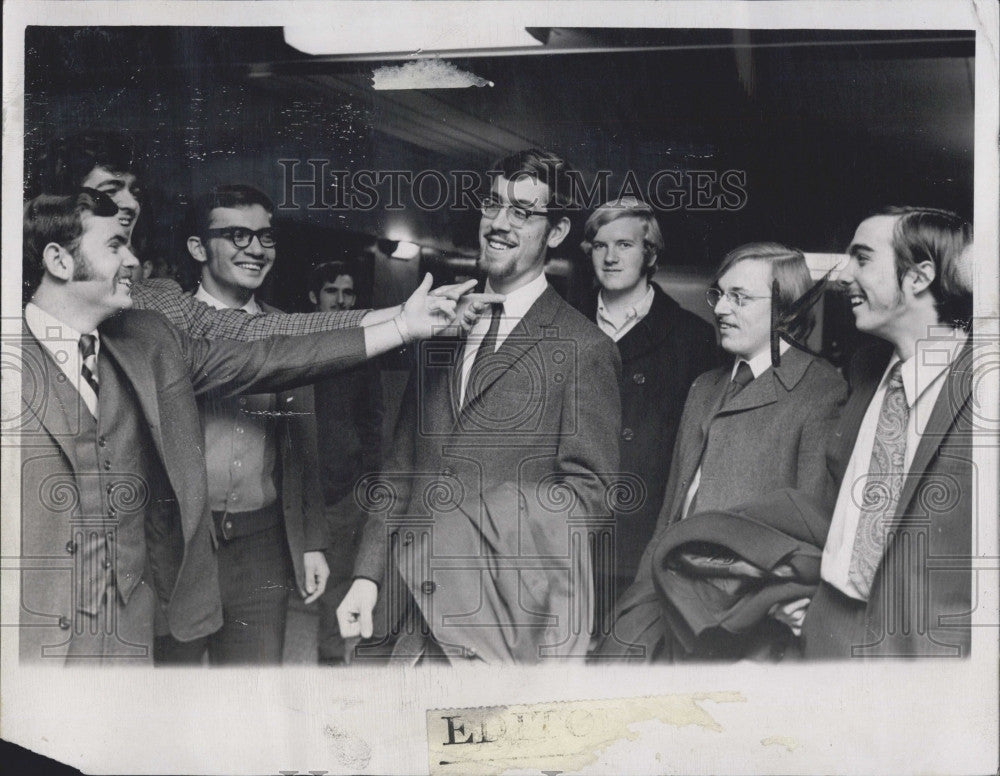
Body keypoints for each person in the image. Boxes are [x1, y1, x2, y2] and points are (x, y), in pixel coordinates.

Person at [16, 189, 464, 664]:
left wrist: (402, 324)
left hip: (128, 630)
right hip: (32, 630)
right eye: (114, 246)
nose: (133, 261)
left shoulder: (148, 340)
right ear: (59, 261)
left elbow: (266, 352)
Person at [336, 149, 623, 663]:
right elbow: (400, 465)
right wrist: (366, 573)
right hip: (401, 609)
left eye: (522, 212)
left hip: (497, 624)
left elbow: (588, 500)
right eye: (493, 204)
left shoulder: (585, 349)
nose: (499, 223)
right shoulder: (441, 322)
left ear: (556, 232)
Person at [597, 242, 847, 661]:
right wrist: (638, 599)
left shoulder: (820, 390)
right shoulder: (704, 386)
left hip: (743, 624)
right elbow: (670, 513)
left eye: (740, 298)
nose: (721, 309)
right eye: (720, 294)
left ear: (785, 308)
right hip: (664, 600)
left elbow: (809, 539)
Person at [32, 131, 471, 340]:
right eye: (110, 192)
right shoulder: (18, 307)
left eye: (134, 191)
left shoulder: (156, 300)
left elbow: (268, 333)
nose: (130, 204)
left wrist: (401, 318)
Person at [150, 184, 326, 664]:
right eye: (236, 235)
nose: (255, 248)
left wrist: (311, 544)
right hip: (180, 548)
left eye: (265, 237)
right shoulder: (162, 329)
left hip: (261, 547)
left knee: (252, 700)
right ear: (197, 247)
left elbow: (302, 445)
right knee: (170, 699)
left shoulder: (288, 330)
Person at [800, 207, 974, 658]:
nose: (843, 275)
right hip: (827, 637)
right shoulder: (864, 369)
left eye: (862, 258)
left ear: (918, 277)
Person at [579, 197, 719, 629]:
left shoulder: (692, 337)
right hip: (568, 535)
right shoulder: (565, 325)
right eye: (600, 245)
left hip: (642, 540)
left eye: (624, 244)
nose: (611, 256)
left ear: (650, 253)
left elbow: (700, 448)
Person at [307, 261, 385, 664]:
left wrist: (366, 483)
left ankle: (330, 668)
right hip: (295, 491)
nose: (340, 300)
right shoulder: (294, 350)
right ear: (313, 297)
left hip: (341, 495)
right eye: (331, 291)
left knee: (335, 585)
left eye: (348, 293)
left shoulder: (364, 353)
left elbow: (373, 426)